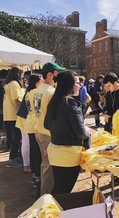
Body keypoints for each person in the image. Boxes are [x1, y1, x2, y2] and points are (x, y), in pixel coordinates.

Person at [44, 71, 90, 195]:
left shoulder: (54, 102)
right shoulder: (71, 104)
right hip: (68, 154)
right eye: (77, 82)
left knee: (58, 187)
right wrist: (87, 132)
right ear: (69, 85)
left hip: (55, 151)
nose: (79, 85)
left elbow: (46, 125)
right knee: (63, 191)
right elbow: (81, 132)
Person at [34, 62, 66, 195]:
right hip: (47, 133)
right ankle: (45, 196)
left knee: (45, 163)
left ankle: (44, 192)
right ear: (50, 75)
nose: (58, 77)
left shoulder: (39, 90)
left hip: (39, 130)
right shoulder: (51, 92)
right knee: (48, 166)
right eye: (57, 73)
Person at [25, 74, 43, 193]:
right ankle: (37, 175)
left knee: (33, 150)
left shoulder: (28, 93)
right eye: (41, 80)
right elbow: (39, 111)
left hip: (29, 123)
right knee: (38, 152)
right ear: (37, 82)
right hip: (36, 124)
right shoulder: (37, 93)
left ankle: (34, 175)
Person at [3, 66, 24, 168]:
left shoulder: (8, 84)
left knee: (15, 137)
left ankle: (13, 157)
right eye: (22, 73)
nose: (23, 76)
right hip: (14, 114)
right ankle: (13, 158)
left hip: (8, 114)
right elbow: (17, 100)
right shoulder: (14, 84)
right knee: (17, 137)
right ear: (18, 74)